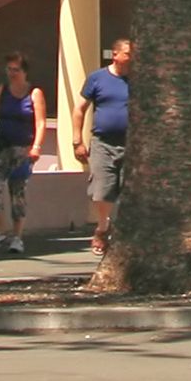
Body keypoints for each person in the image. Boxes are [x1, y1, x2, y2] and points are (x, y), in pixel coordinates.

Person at [0, 52, 45, 252]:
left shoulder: (34, 93)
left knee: (17, 191)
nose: (11, 73)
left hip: (22, 148)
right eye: (9, 69)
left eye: (15, 70)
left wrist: (36, 146)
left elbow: (40, 122)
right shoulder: (2, 91)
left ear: (24, 71)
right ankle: (1, 231)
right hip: (0, 146)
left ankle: (17, 236)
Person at [79, 35, 134, 257]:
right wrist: (77, 140)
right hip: (103, 142)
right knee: (102, 190)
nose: (132, 59)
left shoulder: (138, 80)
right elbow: (79, 108)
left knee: (127, 189)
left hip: (131, 143)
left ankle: (122, 232)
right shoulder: (97, 78)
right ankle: (102, 227)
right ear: (116, 55)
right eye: (129, 54)